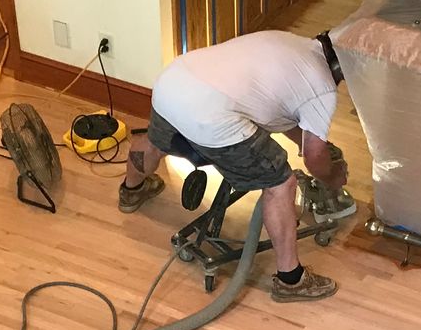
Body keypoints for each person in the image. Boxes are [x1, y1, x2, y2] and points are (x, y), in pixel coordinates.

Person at [119, 29, 350, 303]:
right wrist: (332, 177)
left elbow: (275, 108)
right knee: (280, 183)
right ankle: (291, 280)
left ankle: (131, 190)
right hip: (211, 116)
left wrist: (305, 142)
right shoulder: (322, 88)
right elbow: (314, 157)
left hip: (173, 83)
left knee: (154, 142)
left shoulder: (288, 42)